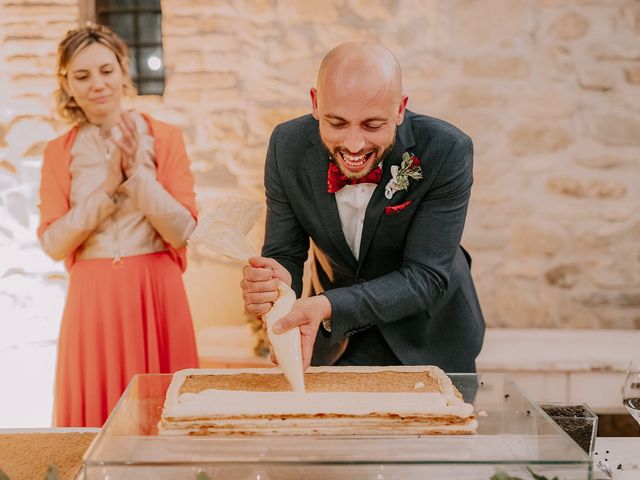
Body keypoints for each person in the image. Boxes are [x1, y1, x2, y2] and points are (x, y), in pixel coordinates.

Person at [241, 42, 485, 373]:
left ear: (400, 109)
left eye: (372, 125)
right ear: (315, 103)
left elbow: (427, 276)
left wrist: (326, 305)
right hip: (338, 339)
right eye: (337, 123)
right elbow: (284, 253)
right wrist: (276, 284)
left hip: (430, 336)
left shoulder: (446, 150)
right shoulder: (287, 146)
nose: (354, 144)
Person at [38, 24, 199, 427]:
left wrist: (136, 178)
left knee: (163, 418)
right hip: (92, 298)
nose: (98, 84)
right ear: (67, 85)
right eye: (82, 75)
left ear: (123, 71)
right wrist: (108, 188)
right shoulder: (59, 153)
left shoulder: (166, 137)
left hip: (157, 289)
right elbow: (54, 243)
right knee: (95, 425)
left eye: (106, 70)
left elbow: (183, 230)